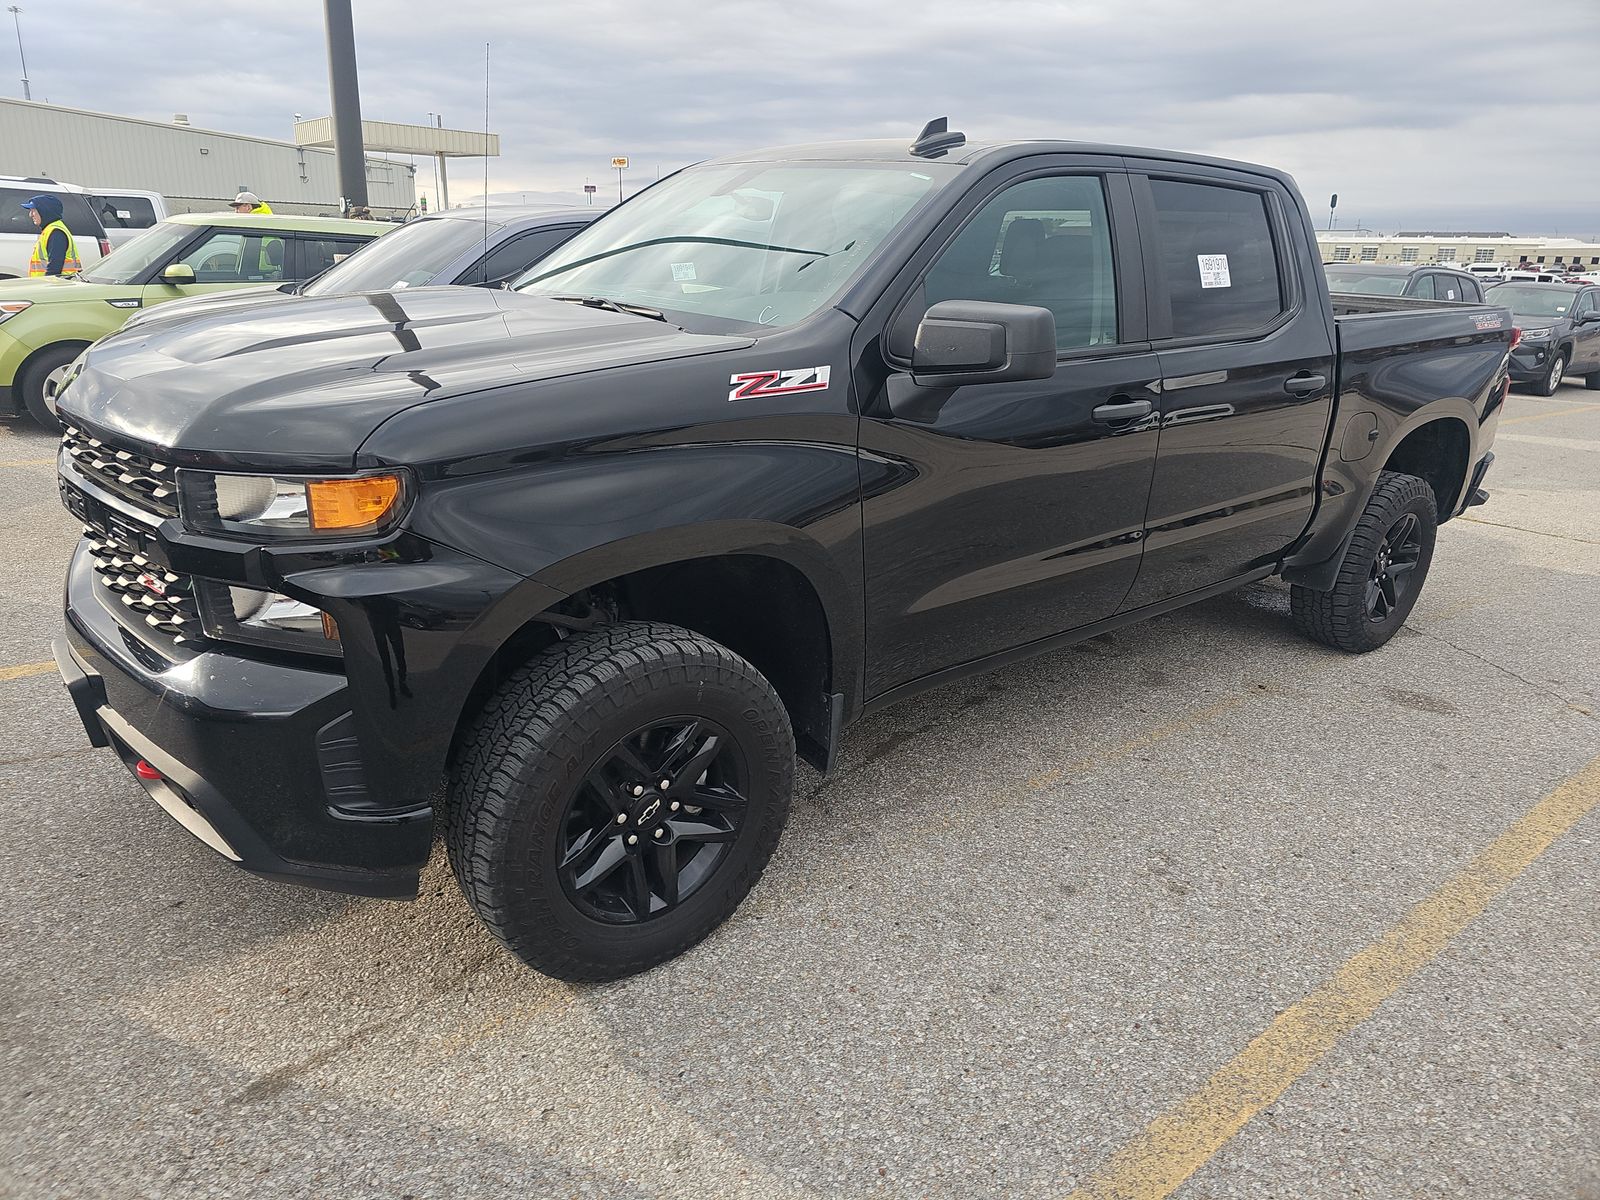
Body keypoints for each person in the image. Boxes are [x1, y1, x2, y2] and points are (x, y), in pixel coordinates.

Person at [21, 195, 82, 277]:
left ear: (44, 211)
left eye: (33, 210)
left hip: (58, 285)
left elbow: (54, 268)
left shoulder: (55, 232)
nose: (30, 215)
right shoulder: (51, 230)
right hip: (53, 285)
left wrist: (47, 286)